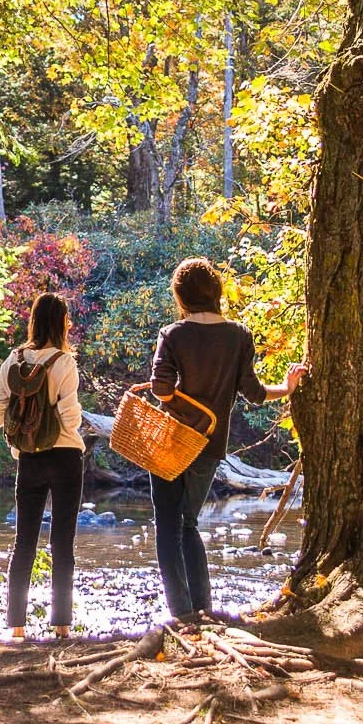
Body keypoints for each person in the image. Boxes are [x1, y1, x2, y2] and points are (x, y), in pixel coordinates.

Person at [147, 257, 300, 625]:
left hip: (171, 440)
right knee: (188, 524)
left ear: (181, 296)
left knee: (168, 526)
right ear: (216, 294)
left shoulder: (173, 334)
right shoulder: (238, 335)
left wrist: (182, 404)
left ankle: (182, 614)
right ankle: (203, 608)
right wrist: (289, 387)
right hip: (210, 445)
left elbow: (160, 388)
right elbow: (255, 393)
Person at [0, 291, 86, 641]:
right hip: (65, 459)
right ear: (62, 323)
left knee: (24, 541)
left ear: (32, 321)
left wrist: (21, 436)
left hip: (28, 459)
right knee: (62, 542)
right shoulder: (63, 361)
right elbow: (70, 415)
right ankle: (61, 625)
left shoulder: (14, 360)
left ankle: (16, 626)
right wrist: (65, 433)